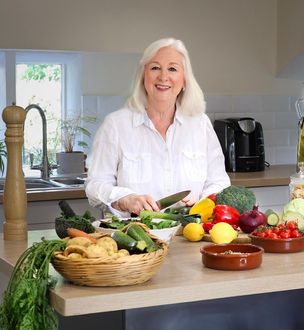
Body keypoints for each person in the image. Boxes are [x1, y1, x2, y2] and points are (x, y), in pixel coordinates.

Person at [85, 37, 230, 216]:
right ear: (143, 76)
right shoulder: (115, 125)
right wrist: (125, 198)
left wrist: (205, 201)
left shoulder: (201, 124)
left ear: (184, 79)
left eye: (172, 69)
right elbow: (95, 185)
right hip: (135, 236)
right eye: (155, 68)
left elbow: (219, 181)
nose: (163, 77)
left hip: (191, 234)